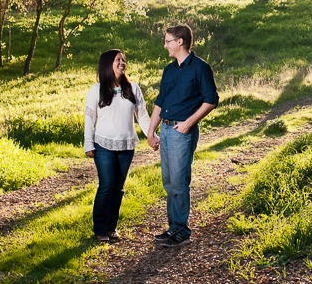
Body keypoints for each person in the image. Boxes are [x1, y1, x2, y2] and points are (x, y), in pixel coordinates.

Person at [147, 24, 219, 248]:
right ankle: (173, 229)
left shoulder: (200, 68)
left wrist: (188, 123)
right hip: (165, 130)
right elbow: (160, 102)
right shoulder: (169, 70)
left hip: (181, 131)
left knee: (179, 183)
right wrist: (151, 131)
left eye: (168, 41)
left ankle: (182, 230)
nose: (165, 45)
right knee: (169, 183)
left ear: (181, 42)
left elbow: (211, 100)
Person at [84, 49, 157, 242]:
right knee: (106, 186)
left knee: (118, 188)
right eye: (118, 59)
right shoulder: (96, 89)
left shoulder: (133, 88)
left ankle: (111, 227)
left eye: (123, 59)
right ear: (108, 64)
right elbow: (89, 118)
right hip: (103, 145)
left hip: (127, 145)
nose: (122, 62)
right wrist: (88, 144)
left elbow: (142, 115)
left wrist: (151, 135)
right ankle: (100, 228)